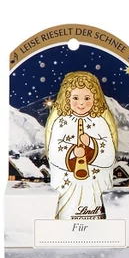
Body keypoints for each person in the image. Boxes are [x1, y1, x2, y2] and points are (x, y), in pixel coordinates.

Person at [45, 71, 117, 220]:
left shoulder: (100, 122)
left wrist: (91, 143)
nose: (82, 103)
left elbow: (109, 154)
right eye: (76, 98)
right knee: (67, 209)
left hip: (95, 184)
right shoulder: (61, 122)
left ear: (96, 98)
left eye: (87, 98)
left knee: (95, 204)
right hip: (68, 186)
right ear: (67, 98)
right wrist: (72, 153)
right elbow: (54, 153)